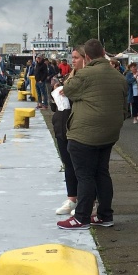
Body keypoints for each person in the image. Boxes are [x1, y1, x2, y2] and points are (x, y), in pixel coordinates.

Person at [56, 39, 128, 230]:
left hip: (85, 134)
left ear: (86, 57)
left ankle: (81, 217)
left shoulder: (85, 74)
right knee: (102, 173)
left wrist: (76, 73)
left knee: (85, 176)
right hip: (109, 133)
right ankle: (105, 215)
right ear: (104, 53)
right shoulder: (118, 76)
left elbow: (68, 90)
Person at [51, 47, 86, 216]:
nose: (73, 61)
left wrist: (68, 92)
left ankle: (85, 200)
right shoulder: (70, 76)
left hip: (76, 125)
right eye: (72, 57)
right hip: (62, 125)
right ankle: (72, 198)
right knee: (68, 164)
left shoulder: (86, 78)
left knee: (80, 165)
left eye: (76, 57)